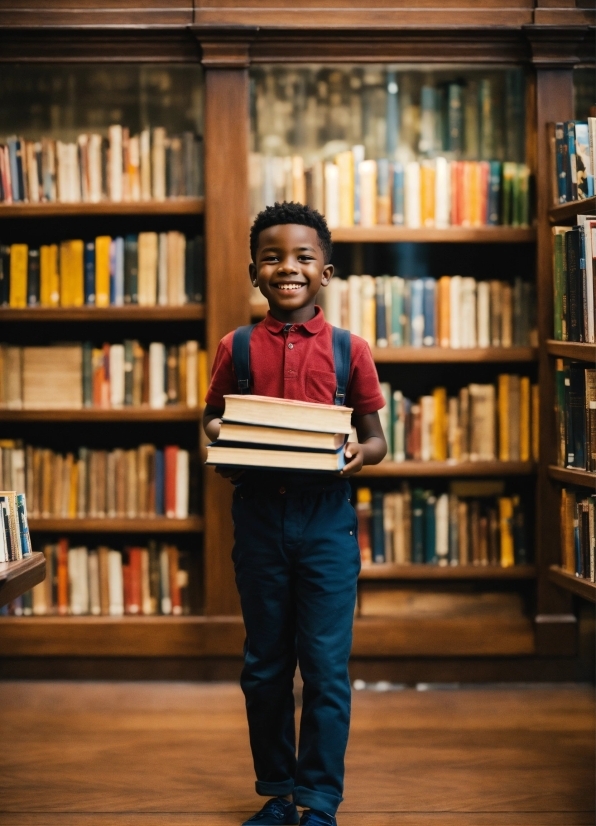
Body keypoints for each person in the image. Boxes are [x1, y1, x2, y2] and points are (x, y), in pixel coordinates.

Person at [203, 201, 387, 826]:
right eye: (273, 257)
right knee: (264, 666)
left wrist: (360, 455)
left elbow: (376, 439)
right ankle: (278, 794)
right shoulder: (237, 348)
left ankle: (319, 801)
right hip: (258, 520)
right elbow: (211, 417)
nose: (289, 267)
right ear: (253, 271)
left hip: (327, 521)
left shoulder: (349, 350)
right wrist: (222, 436)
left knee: (327, 670)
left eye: (304, 257)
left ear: (326, 272)